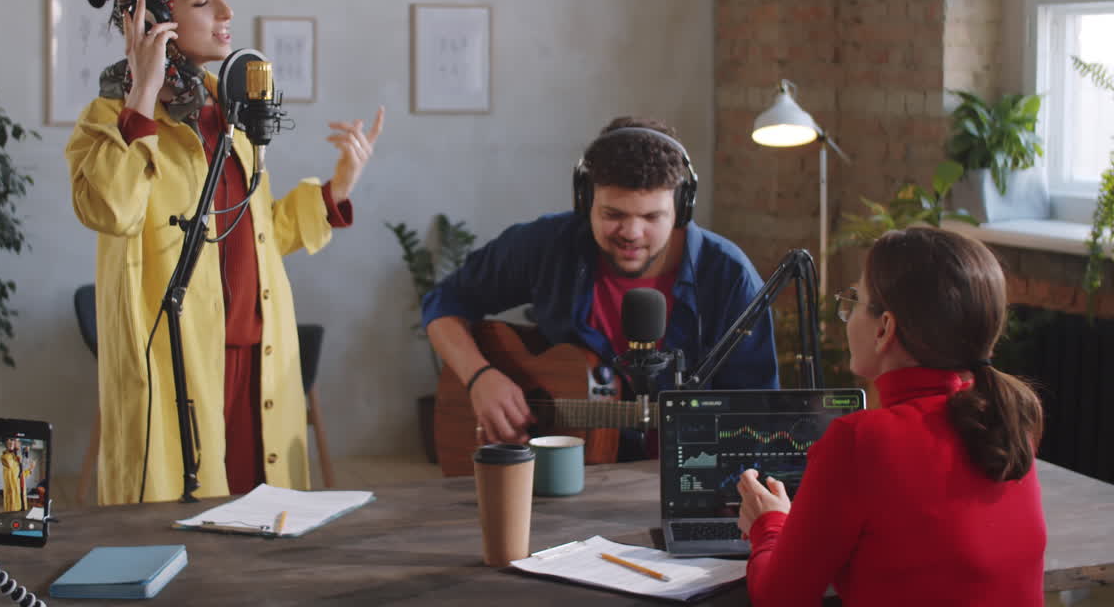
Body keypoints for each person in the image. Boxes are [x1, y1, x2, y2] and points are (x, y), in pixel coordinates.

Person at [66, 0, 383, 505]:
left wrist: (338, 188)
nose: (228, 14)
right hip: (182, 371)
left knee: (265, 540)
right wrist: (143, 89)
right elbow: (110, 208)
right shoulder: (111, 119)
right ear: (154, 18)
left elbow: (257, 233)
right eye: (203, 2)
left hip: (260, 368)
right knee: (185, 545)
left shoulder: (229, 113)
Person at [423, 117, 778, 449]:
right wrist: (479, 377)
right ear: (585, 201)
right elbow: (444, 302)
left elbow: (757, 414)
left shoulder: (730, 277)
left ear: (682, 208)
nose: (632, 233)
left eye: (652, 216)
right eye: (614, 215)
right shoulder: (547, 245)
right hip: (561, 473)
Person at [736, 227, 1046, 606]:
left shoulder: (861, 441)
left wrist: (768, 525)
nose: (846, 317)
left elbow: (779, 599)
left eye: (854, 301)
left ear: (885, 328)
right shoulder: (1008, 422)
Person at [0, 438, 23, 512]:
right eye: (16, 441)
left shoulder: (16, 458)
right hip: (11, 496)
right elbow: (8, 463)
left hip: (17, 493)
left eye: (18, 441)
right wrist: (10, 449)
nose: (18, 442)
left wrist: (30, 469)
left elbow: (21, 474)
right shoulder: (5, 456)